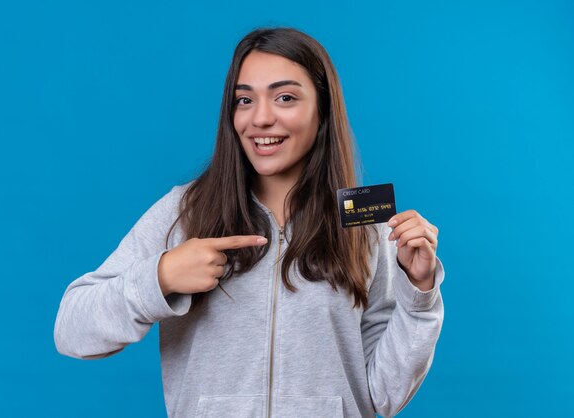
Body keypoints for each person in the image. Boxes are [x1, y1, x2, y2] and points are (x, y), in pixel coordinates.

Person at [54, 27, 445, 418]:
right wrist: (162, 276)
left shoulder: (365, 228)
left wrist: (420, 291)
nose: (260, 118)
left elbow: (384, 395)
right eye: (244, 99)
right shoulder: (184, 212)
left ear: (322, 110)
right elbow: (72, 331)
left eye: (285, 98)